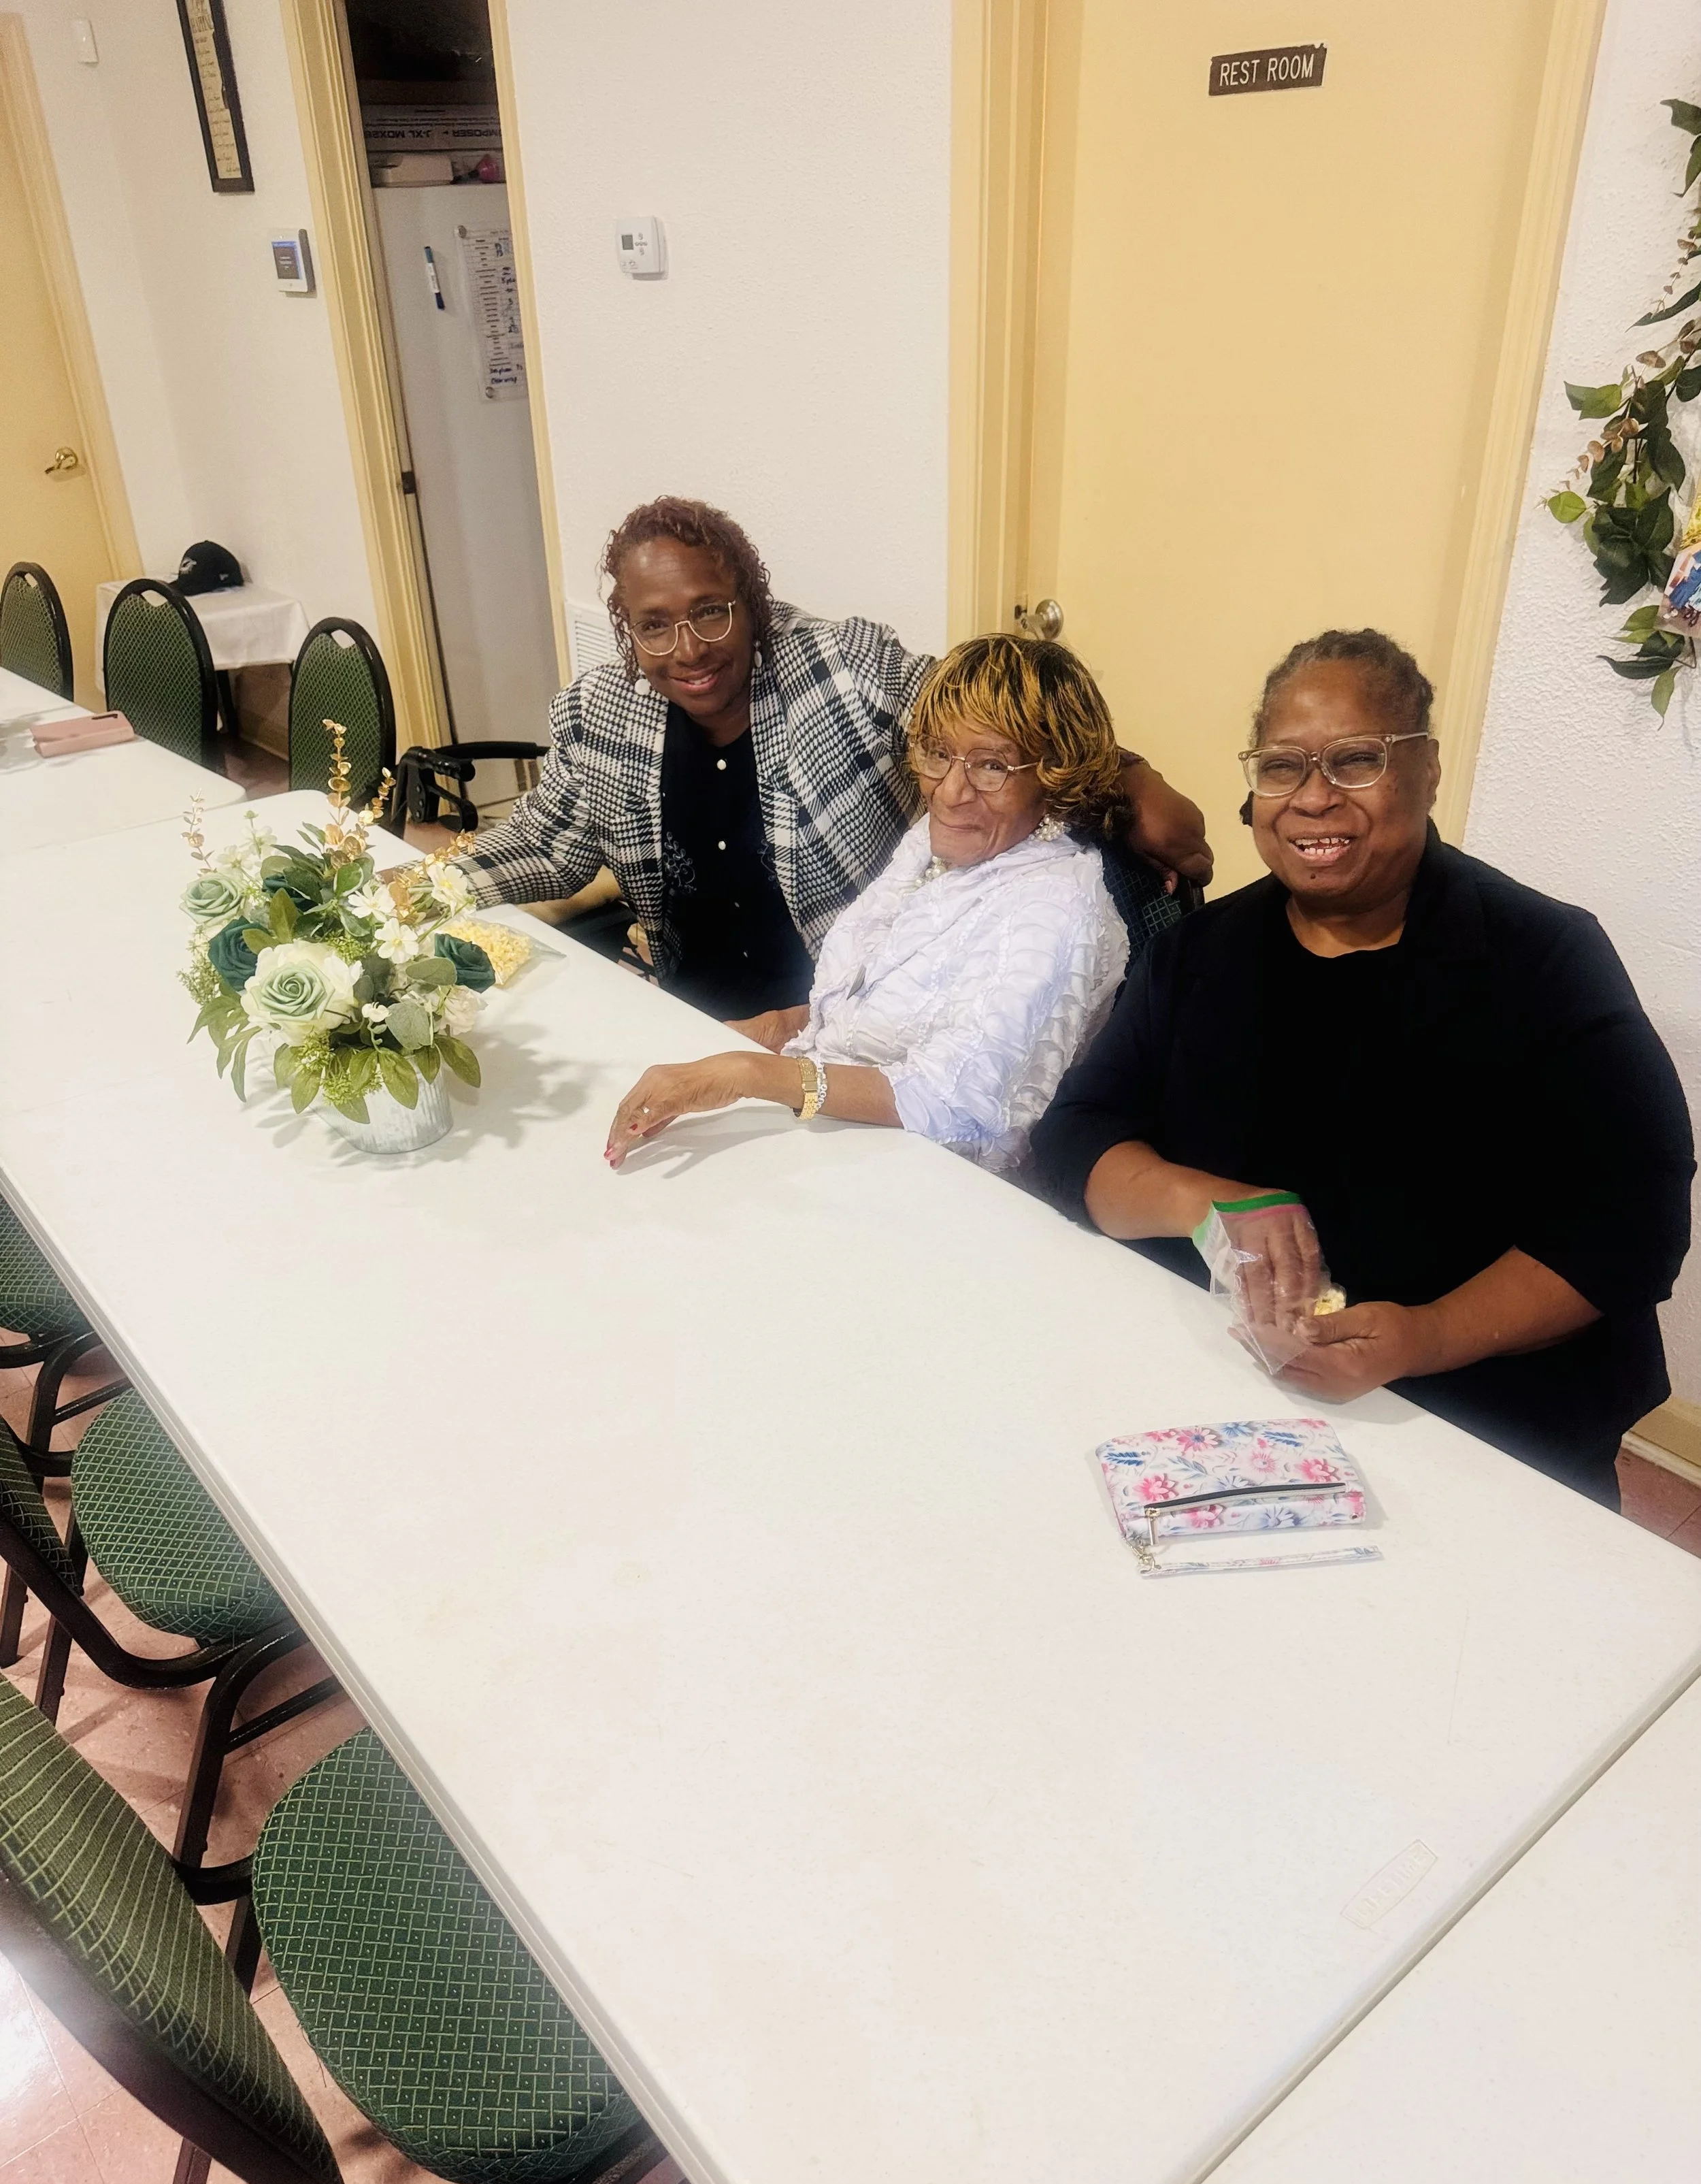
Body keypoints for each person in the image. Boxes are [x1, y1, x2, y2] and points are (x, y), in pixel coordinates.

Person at [1031, 627, 1694, 1507]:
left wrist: (1425, 1336)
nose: (1312, 798)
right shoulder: (1200, 957)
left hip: (1480, 1420)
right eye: (1281, 767)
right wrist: (1209, 1199)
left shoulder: (1540, 958)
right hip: (1236, 1396)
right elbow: (1076, 1138)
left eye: (1355, 760)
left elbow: (1634, 1223)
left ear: (1427, 772)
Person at [458, 496, 1210, 1022]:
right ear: (628, 633)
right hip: (687, 1013)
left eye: (710, 612)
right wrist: (414, 892)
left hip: (845, 1017)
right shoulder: (602, 713)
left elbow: (999, 722)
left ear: (751, 601)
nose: (687, 650)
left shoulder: (842, 670)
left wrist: (1132, 779)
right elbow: (543, 845)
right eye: (654, 627)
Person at [605, 634, 1130, 1174]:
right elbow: (886, 1005)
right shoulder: (942, 843)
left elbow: (948, 1104)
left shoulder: (1058, 911)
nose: (950, 791)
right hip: (831, 1139)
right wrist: (770, 1030)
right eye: (938, 753)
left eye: (991, 765)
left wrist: (745, 1074)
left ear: (1054, 777)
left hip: (925, 1185)